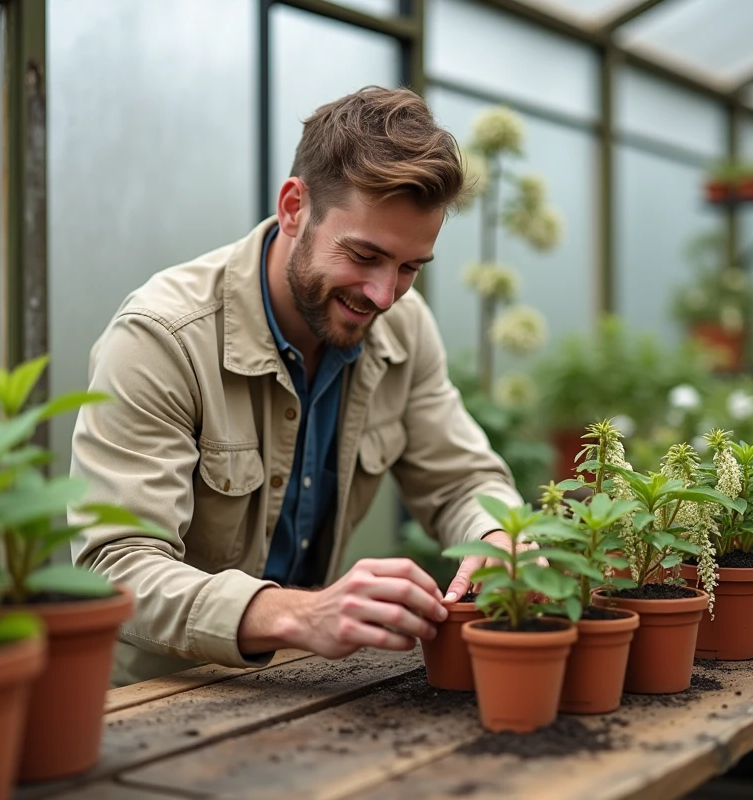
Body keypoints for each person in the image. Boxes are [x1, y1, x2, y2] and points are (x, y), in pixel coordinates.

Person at [70, 86, 523, 687]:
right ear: (293, 208)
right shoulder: (163, 339)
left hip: (305, 687)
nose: (385, 295)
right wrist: (301, 612)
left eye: (411, 267)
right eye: (364, 254)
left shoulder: (404, 330)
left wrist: (501, 538)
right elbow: (116, 566)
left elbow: (463, 479)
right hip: (158, 703)